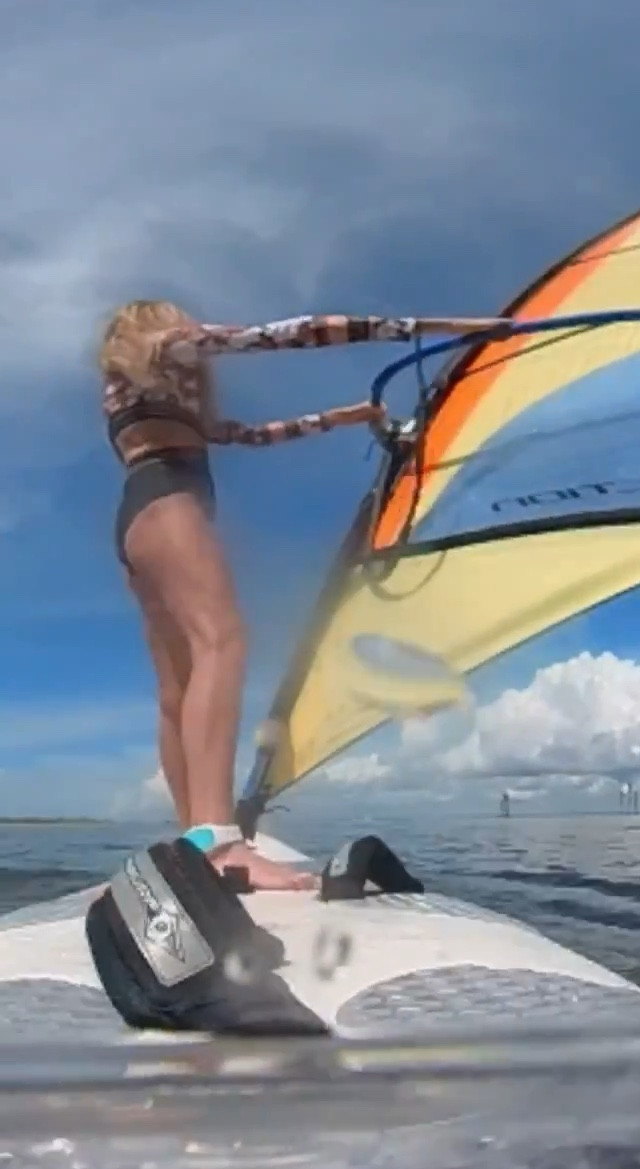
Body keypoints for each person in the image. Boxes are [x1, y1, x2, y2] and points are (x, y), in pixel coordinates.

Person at [99, 301, 498, 891]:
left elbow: (251, 435)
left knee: (176, 688)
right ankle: (216, 842)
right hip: (168, 502)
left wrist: (346, 415)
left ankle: (194, 838)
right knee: (223, 642)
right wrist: (452, 327)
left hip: (137, 517)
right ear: (151, 321)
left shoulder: (133, 390)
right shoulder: (166, 346)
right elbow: (291, 334)